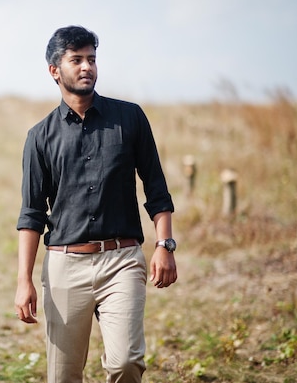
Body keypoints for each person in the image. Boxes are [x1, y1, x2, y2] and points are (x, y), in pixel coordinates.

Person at [14, 25, 178, 383]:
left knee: (126, 363)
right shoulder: (39, 137)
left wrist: (164, 245)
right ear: (55, 70)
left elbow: (156, 187)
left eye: (91, 59)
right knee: (64, 375)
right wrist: (23, 279)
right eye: (76, 60)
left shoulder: (130, 118)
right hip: (64, 266)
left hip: (121, 261)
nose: (87, 66)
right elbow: (31, 214)